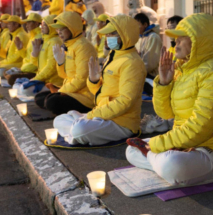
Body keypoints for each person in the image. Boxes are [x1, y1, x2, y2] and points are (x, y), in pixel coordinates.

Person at [125, 14, 213, 186]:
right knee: (131, 150)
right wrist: (164, 83)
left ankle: (163, 163)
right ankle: (162, 162)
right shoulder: (183, 68)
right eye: (176, 39)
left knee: (171, 165)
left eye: (181, 39)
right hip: (186, 145)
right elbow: (165, 114)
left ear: (198, 41)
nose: (176, 43)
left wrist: (157, 144)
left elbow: (200, 127)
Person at [53, 15, 145, 145]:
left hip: (121, 123)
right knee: (58, 120)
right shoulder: (114, 56)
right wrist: (94, 81)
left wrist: (92, 115)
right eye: (107, 34)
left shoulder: (132, 62)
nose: (108, 37)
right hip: (103, 114)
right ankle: (77, 132)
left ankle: (75, 132)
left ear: (125, 35)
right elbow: (100, 93)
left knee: (80, 129)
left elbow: (125, 101)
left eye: (112, 33)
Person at [34, 11, 97, 115]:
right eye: (58, 29)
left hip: (84, 96)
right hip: (72, 91)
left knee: (52, 102)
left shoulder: (83, 47)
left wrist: (62, 91)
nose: (59, 32)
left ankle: (83, 110)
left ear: (72, 27)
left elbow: (81, 79)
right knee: (39, 97)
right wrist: (60, 63)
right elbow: (65, 76)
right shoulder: (70, 45)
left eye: (62, 29)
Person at [4, 13, 43, 86]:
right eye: (26, 23)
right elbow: (26, 56)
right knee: (6, 73)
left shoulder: (39, 38)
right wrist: (20, 49)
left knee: (10, 77)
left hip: (33, 70)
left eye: (29, 23)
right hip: (26, 67)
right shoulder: (32, 36)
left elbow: (36, 63)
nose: (26, 25)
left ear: (36, 24)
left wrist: (22, 69)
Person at [134, 12, 162, 95]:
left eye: (137, 25)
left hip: (151, 76)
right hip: (141, 73)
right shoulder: (139, 38)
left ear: (145, 24)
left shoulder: (153, 37)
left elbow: (150, 62)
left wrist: (137, 72)